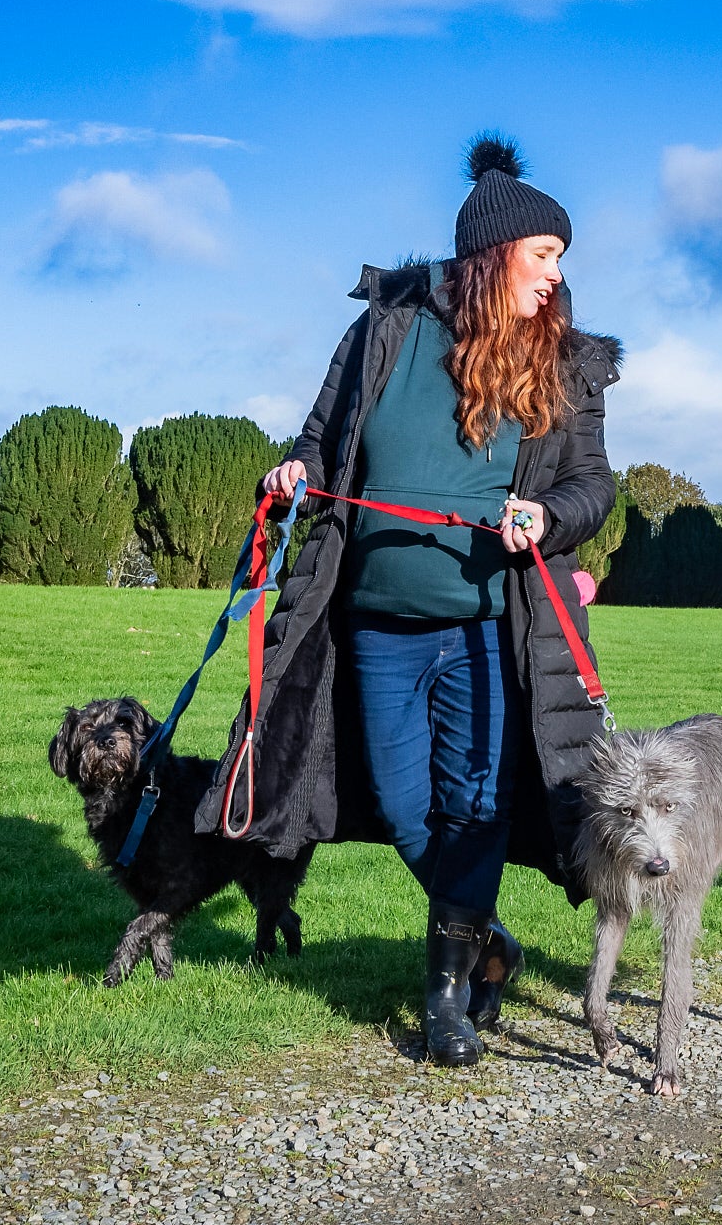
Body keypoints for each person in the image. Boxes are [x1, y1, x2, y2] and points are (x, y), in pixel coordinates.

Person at [199, 135, 620, 1066]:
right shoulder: (386, 328)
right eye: (544, 254)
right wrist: (295, 473)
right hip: (377, 624)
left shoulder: (567, 362)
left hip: (489, 624)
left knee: (476, 805)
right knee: (399, 804)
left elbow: (595, 483)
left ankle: (447, 998)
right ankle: (489, 943)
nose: (556, 276)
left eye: (561, 260)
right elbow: (322, 439)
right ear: (492, 255)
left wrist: (548, 515)